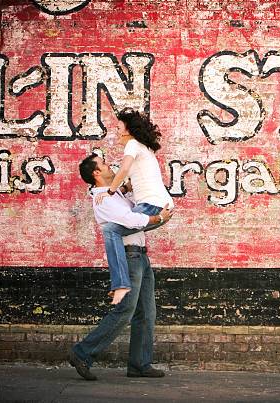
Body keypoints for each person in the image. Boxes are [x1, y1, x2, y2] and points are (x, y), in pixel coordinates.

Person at [69, 154, 173, 381]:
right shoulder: (102, 199)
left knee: (146, 312)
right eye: (104, 164)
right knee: (124, 310)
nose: (110, 166)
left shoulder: (113, 193)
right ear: (96, 173)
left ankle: (139, 364)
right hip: (129, 258)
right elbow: (131, 221)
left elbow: (139, 200)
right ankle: (82, 353)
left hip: (141, 257)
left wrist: (128, 185)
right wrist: (158, 218)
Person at [97, 108, 175, 305]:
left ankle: (121, 284)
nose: (116, 131)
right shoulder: (143, 147)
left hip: (153, 206)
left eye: (118, 127)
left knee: (110, 230)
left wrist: (110, 191)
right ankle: (121, 283)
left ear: (128, 130)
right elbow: (134, 181)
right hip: (158, 205)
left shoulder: (132, 144)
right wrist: (122, 188)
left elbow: (123, 169)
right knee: (114, 230)